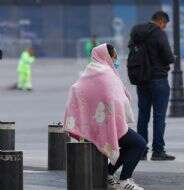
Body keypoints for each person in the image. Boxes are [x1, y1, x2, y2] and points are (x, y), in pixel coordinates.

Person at [64, 43, 146, 190]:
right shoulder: (105, 73)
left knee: (129, 145)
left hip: (95, 124)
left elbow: (77, 90)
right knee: (139, 144)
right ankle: (124, 180)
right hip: (106, 124)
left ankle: (108, 173)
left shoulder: (91, 71)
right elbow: (113, 98)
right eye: (114, 56)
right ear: (107, 56)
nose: (116, 59)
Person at [129, 11, 175, 161]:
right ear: (161, 21)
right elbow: (168, 57)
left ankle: (141, 151)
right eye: (165, 24)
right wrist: (171, 58)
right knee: (159, 116)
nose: (164, 27)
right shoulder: (159, 33)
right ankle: (158, 151)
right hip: (158, 79)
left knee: (143, 115)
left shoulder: (136, 31)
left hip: (142, 79)